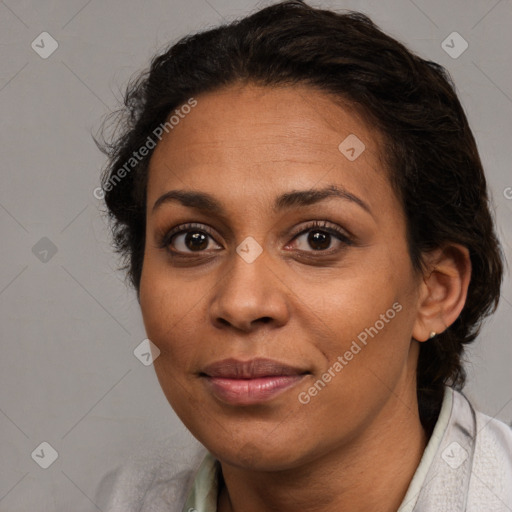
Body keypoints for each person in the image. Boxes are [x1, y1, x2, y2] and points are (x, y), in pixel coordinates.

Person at [94, 1, 512, 510]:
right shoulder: (124, 500)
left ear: (436, 289)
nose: (243, 303)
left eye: (319, 239)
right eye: (194, 239)